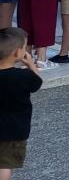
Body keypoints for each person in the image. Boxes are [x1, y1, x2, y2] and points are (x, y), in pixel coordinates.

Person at [0, 27, 43, 180]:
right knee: (5, 164)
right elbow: (38, 82)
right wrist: (31, 64)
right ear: (18, 52)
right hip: (14, 131)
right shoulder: (23, 76)